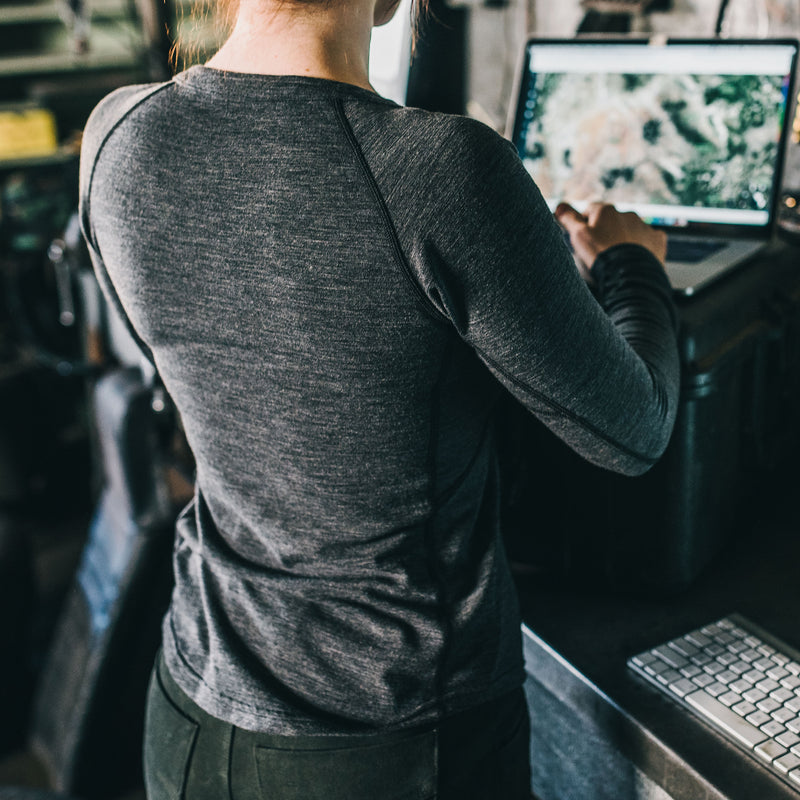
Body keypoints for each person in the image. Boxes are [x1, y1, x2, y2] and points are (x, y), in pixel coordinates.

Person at [77, 0, 680, 793]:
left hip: (191, 711)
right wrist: (633, 266)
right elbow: (634, 430)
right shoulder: (443, 171)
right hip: (394, 742)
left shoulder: (114, 136)